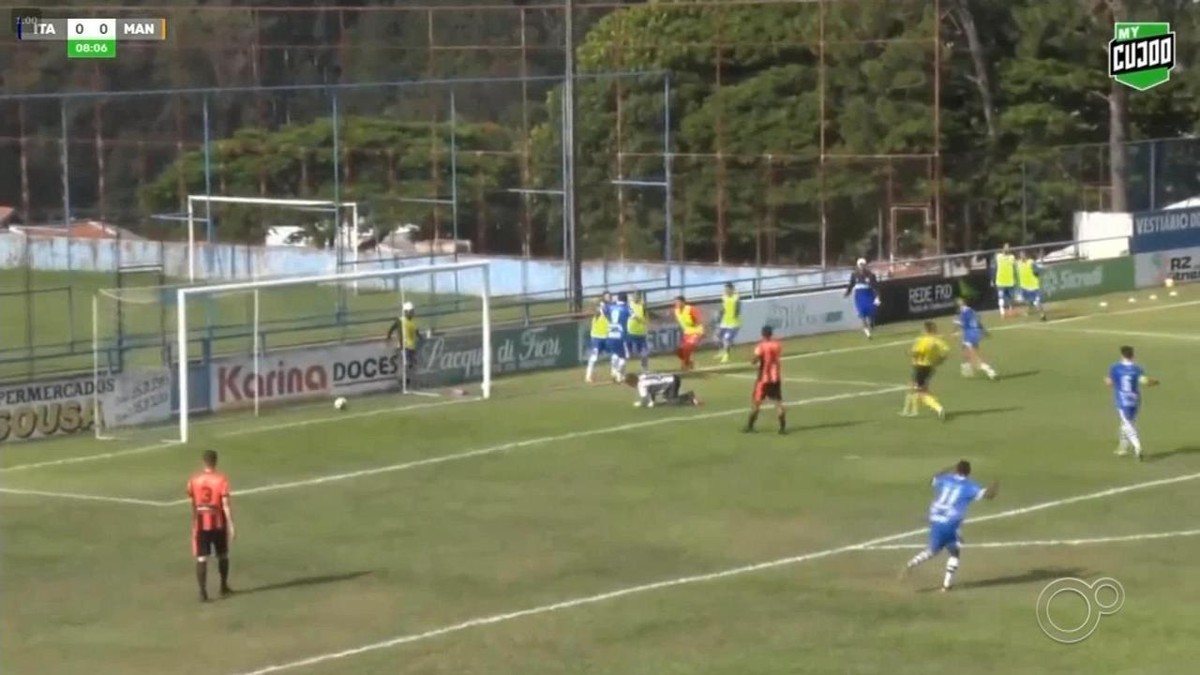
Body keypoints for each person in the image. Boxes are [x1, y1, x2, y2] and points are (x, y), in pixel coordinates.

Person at [901, 460, 998, 592]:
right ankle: (943, 583)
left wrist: (948, 468)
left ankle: (913, 564)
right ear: (969, 472)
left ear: (956, 470)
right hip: (950, 522)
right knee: (950, 552)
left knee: (938, 549)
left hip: (934, 518)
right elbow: (989, 495)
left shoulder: (945, 479)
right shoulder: (969, 486)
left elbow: (933, 479)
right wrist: (995, 486)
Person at [187, 449, 235, 602]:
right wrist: (231, 525)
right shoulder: (221, 479)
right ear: (216, 462)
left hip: (201, 521)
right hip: (218, 521)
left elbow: (192, 500)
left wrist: (194, 519)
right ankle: (223, 586)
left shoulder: (194, 480)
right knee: (223, 554)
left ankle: (202, 592)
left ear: (203, 462)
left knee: (201, 558)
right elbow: (225, 504)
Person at [1106, 345, 1159, 460]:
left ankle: (1137, 447)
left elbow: (1109, 383)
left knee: (1128, 424)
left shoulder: (1115, 368)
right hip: (1135, 399)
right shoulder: (1137, 369)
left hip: (1122, 399)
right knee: (1126, 423)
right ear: (1133, 355)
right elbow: (1144, 381)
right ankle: (1123, 448)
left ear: (1121, 355)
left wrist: (1111, 382)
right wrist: (1154, 382)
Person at [901, 321, 949, 419]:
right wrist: (940, 360)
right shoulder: (937, 340)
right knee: (921, 388)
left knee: (919, 392)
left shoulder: (923, 341)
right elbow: (946, 351)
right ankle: (932, 404)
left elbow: (917, 353)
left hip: (920, 368)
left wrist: (908, 353)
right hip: (930, 367)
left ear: (926, 330)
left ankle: (937, 407)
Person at [744, 325, 786, 434]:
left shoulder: (761, 346)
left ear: (762, 334)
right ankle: (782, 428)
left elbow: (755, 360)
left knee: (757, 402)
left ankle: (750, 426)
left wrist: (752, 360)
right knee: (778, 403)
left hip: (763, 378)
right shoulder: (777, 345)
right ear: (771, 333)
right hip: (775, 377)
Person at [954, 297, 997, 380]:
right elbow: (978, 322)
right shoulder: (971, 311)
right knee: (965, 349)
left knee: (973, 356)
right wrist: (984, 331)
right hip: (975, 333)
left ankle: (989, 370)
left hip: (970, 334)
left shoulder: (963, 313)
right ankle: (968, 367)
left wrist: (955, 326)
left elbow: (962, 324)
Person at [386, 301, 421, 388]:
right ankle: (403, 383)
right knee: (406, 364)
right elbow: (392, 328)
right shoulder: (401, 320)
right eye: (410, 311)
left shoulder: (413, 321)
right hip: (404, 346)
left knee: (412, 365)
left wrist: (421, 337)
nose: (412, 313)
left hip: (411, 346)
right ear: (406, 312)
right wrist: (388, 337)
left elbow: (416, 331)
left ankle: (409, 382)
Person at [844, 258, 880, 339]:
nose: (862, 266)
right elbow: (851, 284)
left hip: (869, 294)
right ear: (858, 265)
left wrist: (877, 296)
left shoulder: (871, 275)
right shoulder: (854, 274)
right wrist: (847, 292)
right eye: (860, 265)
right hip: (859, 296)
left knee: (871, 312)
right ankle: (867, 333)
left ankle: (872, 324)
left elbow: (875, 287)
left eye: (863, 265)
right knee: (862, 313)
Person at [624, 372, 700, 407]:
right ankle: (685, 396)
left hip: (671, 382)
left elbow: (645, 399)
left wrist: (640, 404)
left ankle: (689, 396)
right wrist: (652, 401)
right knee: (666, 398)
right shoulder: (642, 376)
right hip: (672, 377)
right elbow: (651, 389)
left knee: (672, 402)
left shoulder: (641, 385)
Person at [605, 292, 633, 382]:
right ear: (625, 299)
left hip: (611, 333)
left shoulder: (610, 306)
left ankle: (614, 372)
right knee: (623, 357)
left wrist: (609, 319)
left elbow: (603, 310)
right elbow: (634, 316)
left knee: (615, 354)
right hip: (621, 335)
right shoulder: (626, 308)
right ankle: (618, 373)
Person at [673, 295, 705, 371]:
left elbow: (698, 320)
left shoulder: (690, 309)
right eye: (675, 302)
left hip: (696, 332)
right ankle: (690, 362)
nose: (677, 304)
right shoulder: (676, 310)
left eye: (678, 302)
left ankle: (686, 365)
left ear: (683, 302)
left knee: (687, 347)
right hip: (687, 333)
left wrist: (696, 325)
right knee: (679, 351)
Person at [584, 295, 611, 383]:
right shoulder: (598, 312)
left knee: (614, 355)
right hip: (597, 338)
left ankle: (616, 374)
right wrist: (600, 309)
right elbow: (596, 313)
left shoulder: (608, 310)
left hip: (606, 337)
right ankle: (588, 376)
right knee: (594, 357)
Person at [1017, 250, 1047, 321]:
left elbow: (1038, 269)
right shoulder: (1018, 263)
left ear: (1026, 256)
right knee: (1026, 301)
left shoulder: (1031, 262)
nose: (1022, 256)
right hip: (1024, 287)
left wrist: (1041, 270)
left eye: (1023, 255)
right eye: (1021, 255)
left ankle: (1042, 315)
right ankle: (1028, 311)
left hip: (1034, 286)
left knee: (1037, 302)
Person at [716, 283, 742, 363]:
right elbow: (723, 308)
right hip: (725, 321)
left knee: (726, 339)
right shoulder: (724, 297)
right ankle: (721, 352)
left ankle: (726, 355)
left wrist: (735, 315)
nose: (726, 291)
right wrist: (720, 314)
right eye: (725, 289)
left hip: (734, 323)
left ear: (732, 289)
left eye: (728, 289)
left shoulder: (736, 298)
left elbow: (738, 309)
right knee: (718, 335)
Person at [626, 290, 651, 373]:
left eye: (638, 295)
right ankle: (620, 370)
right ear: (633, 296)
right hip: (630, 332)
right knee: (629, 353)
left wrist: (647, 325)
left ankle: (644, 368)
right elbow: (632, 316)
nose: (637, 297)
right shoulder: (629, 305)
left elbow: (646, 316)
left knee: (644, 352)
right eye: (635, 295)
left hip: (641, 333)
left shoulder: (642, 305)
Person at [993, 244, 1017, 318]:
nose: (1007, 249)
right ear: (1003, 249)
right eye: (1005, 248)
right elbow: (994, 262)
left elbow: (1014, 267)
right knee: (1001, 296)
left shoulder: (1012, 257)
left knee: (1010, 297)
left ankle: (1010, 310)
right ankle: (1002, 311)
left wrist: (1015, 277)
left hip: (1010, 281)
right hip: (1000, 280)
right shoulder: (999, 256)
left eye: (1008, 248)